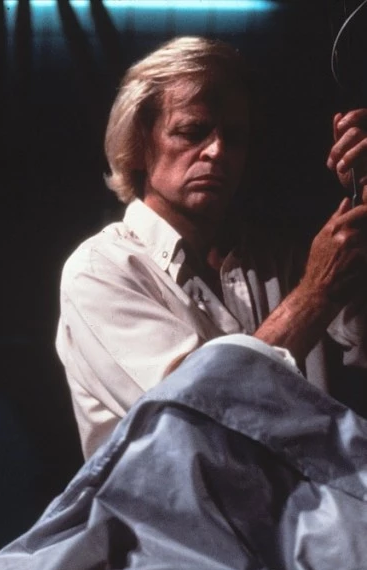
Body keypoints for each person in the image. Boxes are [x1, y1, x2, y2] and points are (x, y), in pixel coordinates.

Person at [56, 36, 367, 459]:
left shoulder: (280, 260)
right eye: (192, 132)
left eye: (235, 137)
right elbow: (200, 413)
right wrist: (314, 295)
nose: (218, 151)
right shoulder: (101, 269)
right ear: (139, 143)